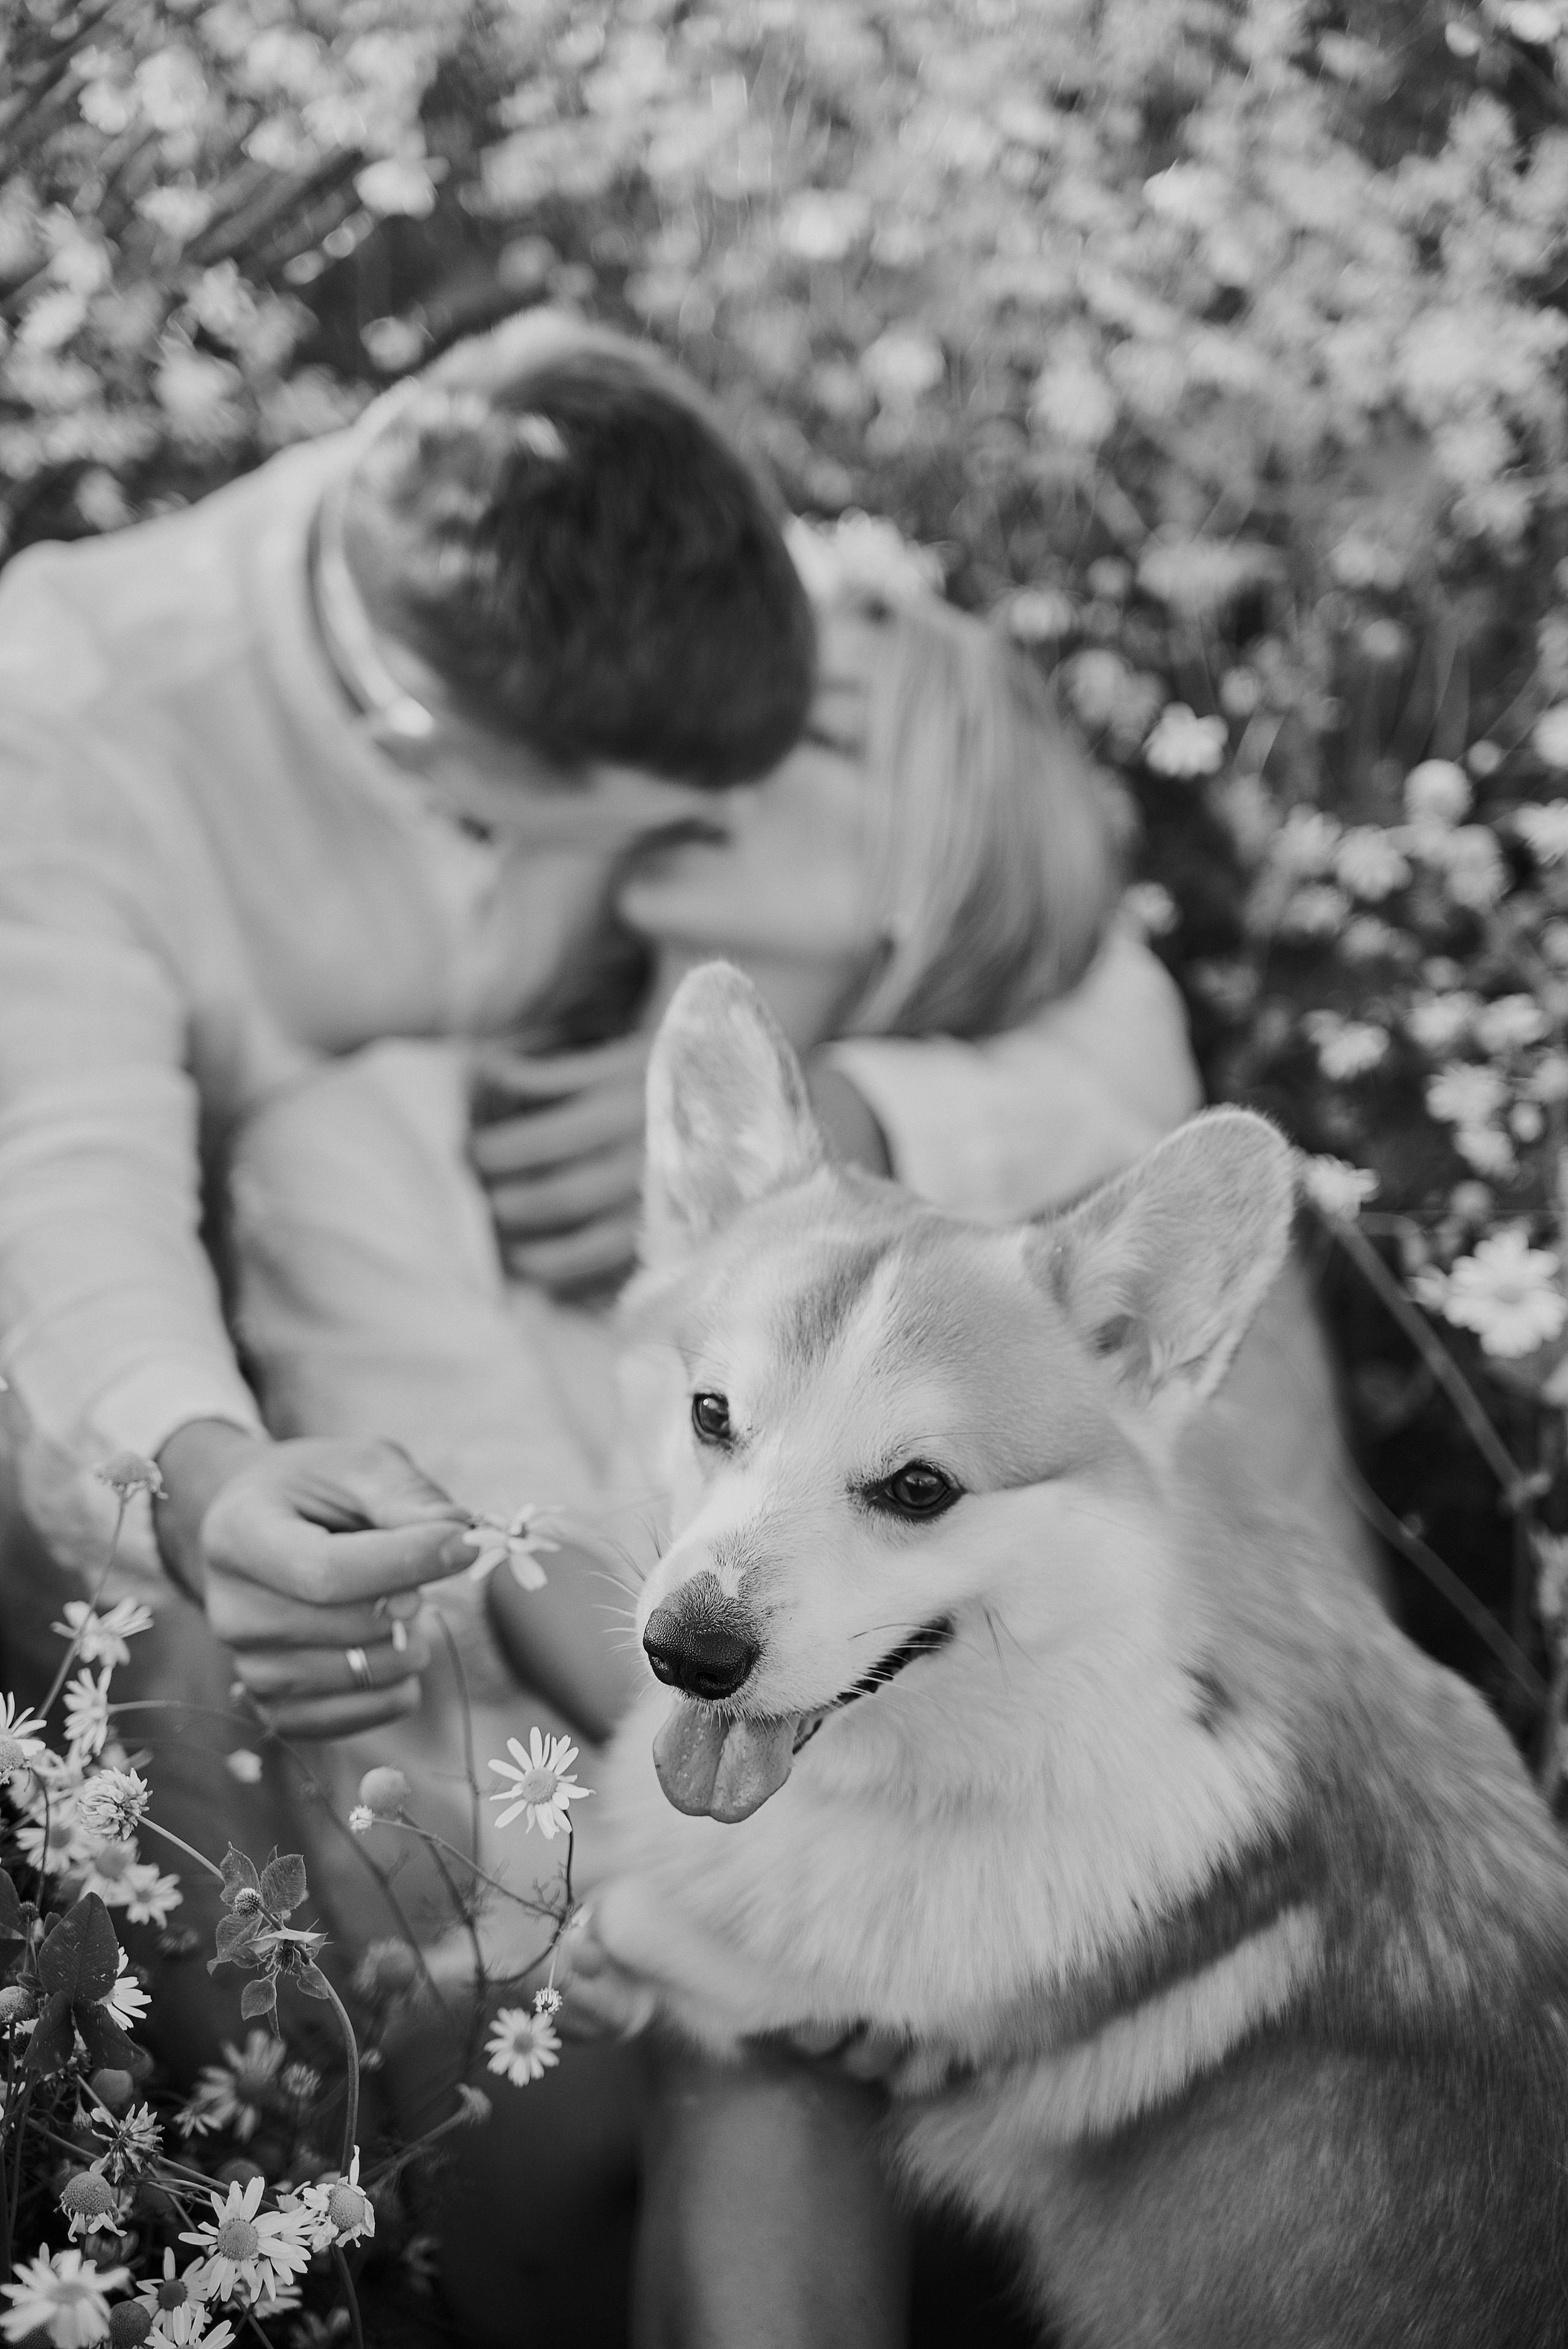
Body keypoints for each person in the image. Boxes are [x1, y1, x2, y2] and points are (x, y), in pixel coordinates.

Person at [216, 520, 1359, 2346]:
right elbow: (515, 1552)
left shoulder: (1047, 1191)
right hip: (584, 1937)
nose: (710, 740)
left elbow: (1146, 1105)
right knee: (774, 2021)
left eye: (800, 735)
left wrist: (871, 1115)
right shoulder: (395, 1128)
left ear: (927, 850)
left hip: (1051, 1949)